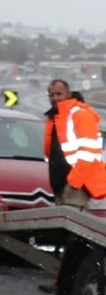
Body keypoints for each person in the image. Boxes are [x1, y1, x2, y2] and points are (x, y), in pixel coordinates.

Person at [44, 79, 106, 208]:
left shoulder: (79, 114)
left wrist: (74, 182)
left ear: (68, 94)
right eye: (51, 95)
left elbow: (89, 153)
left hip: (75, 186)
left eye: (59, 94)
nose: (55, 98)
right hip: (60, 184)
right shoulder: (56, 118)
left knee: (74, 225)